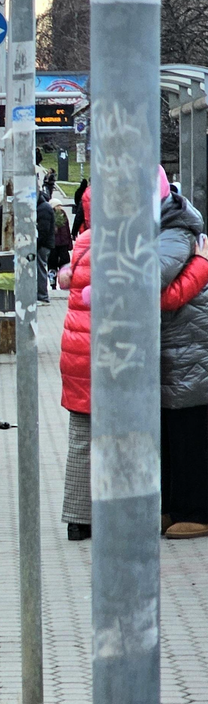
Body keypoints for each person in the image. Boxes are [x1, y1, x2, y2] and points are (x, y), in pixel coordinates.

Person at [57, 185, 208, 541]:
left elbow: (149, 288)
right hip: (116, 351)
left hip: (83, 352)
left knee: (90, 436)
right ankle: (127, 511)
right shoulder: (121, 245)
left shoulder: (88, 242)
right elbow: (155, 294)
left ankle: (85, 518)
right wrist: (202, 265)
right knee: (137, 435)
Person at [155, 165, 208, 539]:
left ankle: (196, 511)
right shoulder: (161, 231)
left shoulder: (174, 233)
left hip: (189, 351)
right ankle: (173, 507)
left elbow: (147, 281)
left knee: (189, 434)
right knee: (171, 434)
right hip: (175, 350)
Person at [47, 199, 72, 289]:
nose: (60, 207)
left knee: (65, 264)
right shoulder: (50, 214)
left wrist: (69, 243)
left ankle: (64, 283)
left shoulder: (63, 214)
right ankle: (53, 284)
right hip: (53, 245)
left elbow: (67, 229)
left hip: (63, 244)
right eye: (58, 205)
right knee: (52, 265)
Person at [36, 191, 55, 303]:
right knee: (40, 268)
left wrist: (36, 245)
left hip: (43, 245)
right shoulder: (43, 207)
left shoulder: (43, 209)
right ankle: (41, 294)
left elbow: (43, 231)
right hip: (43, 244)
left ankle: (42, 296)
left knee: (40, 269)